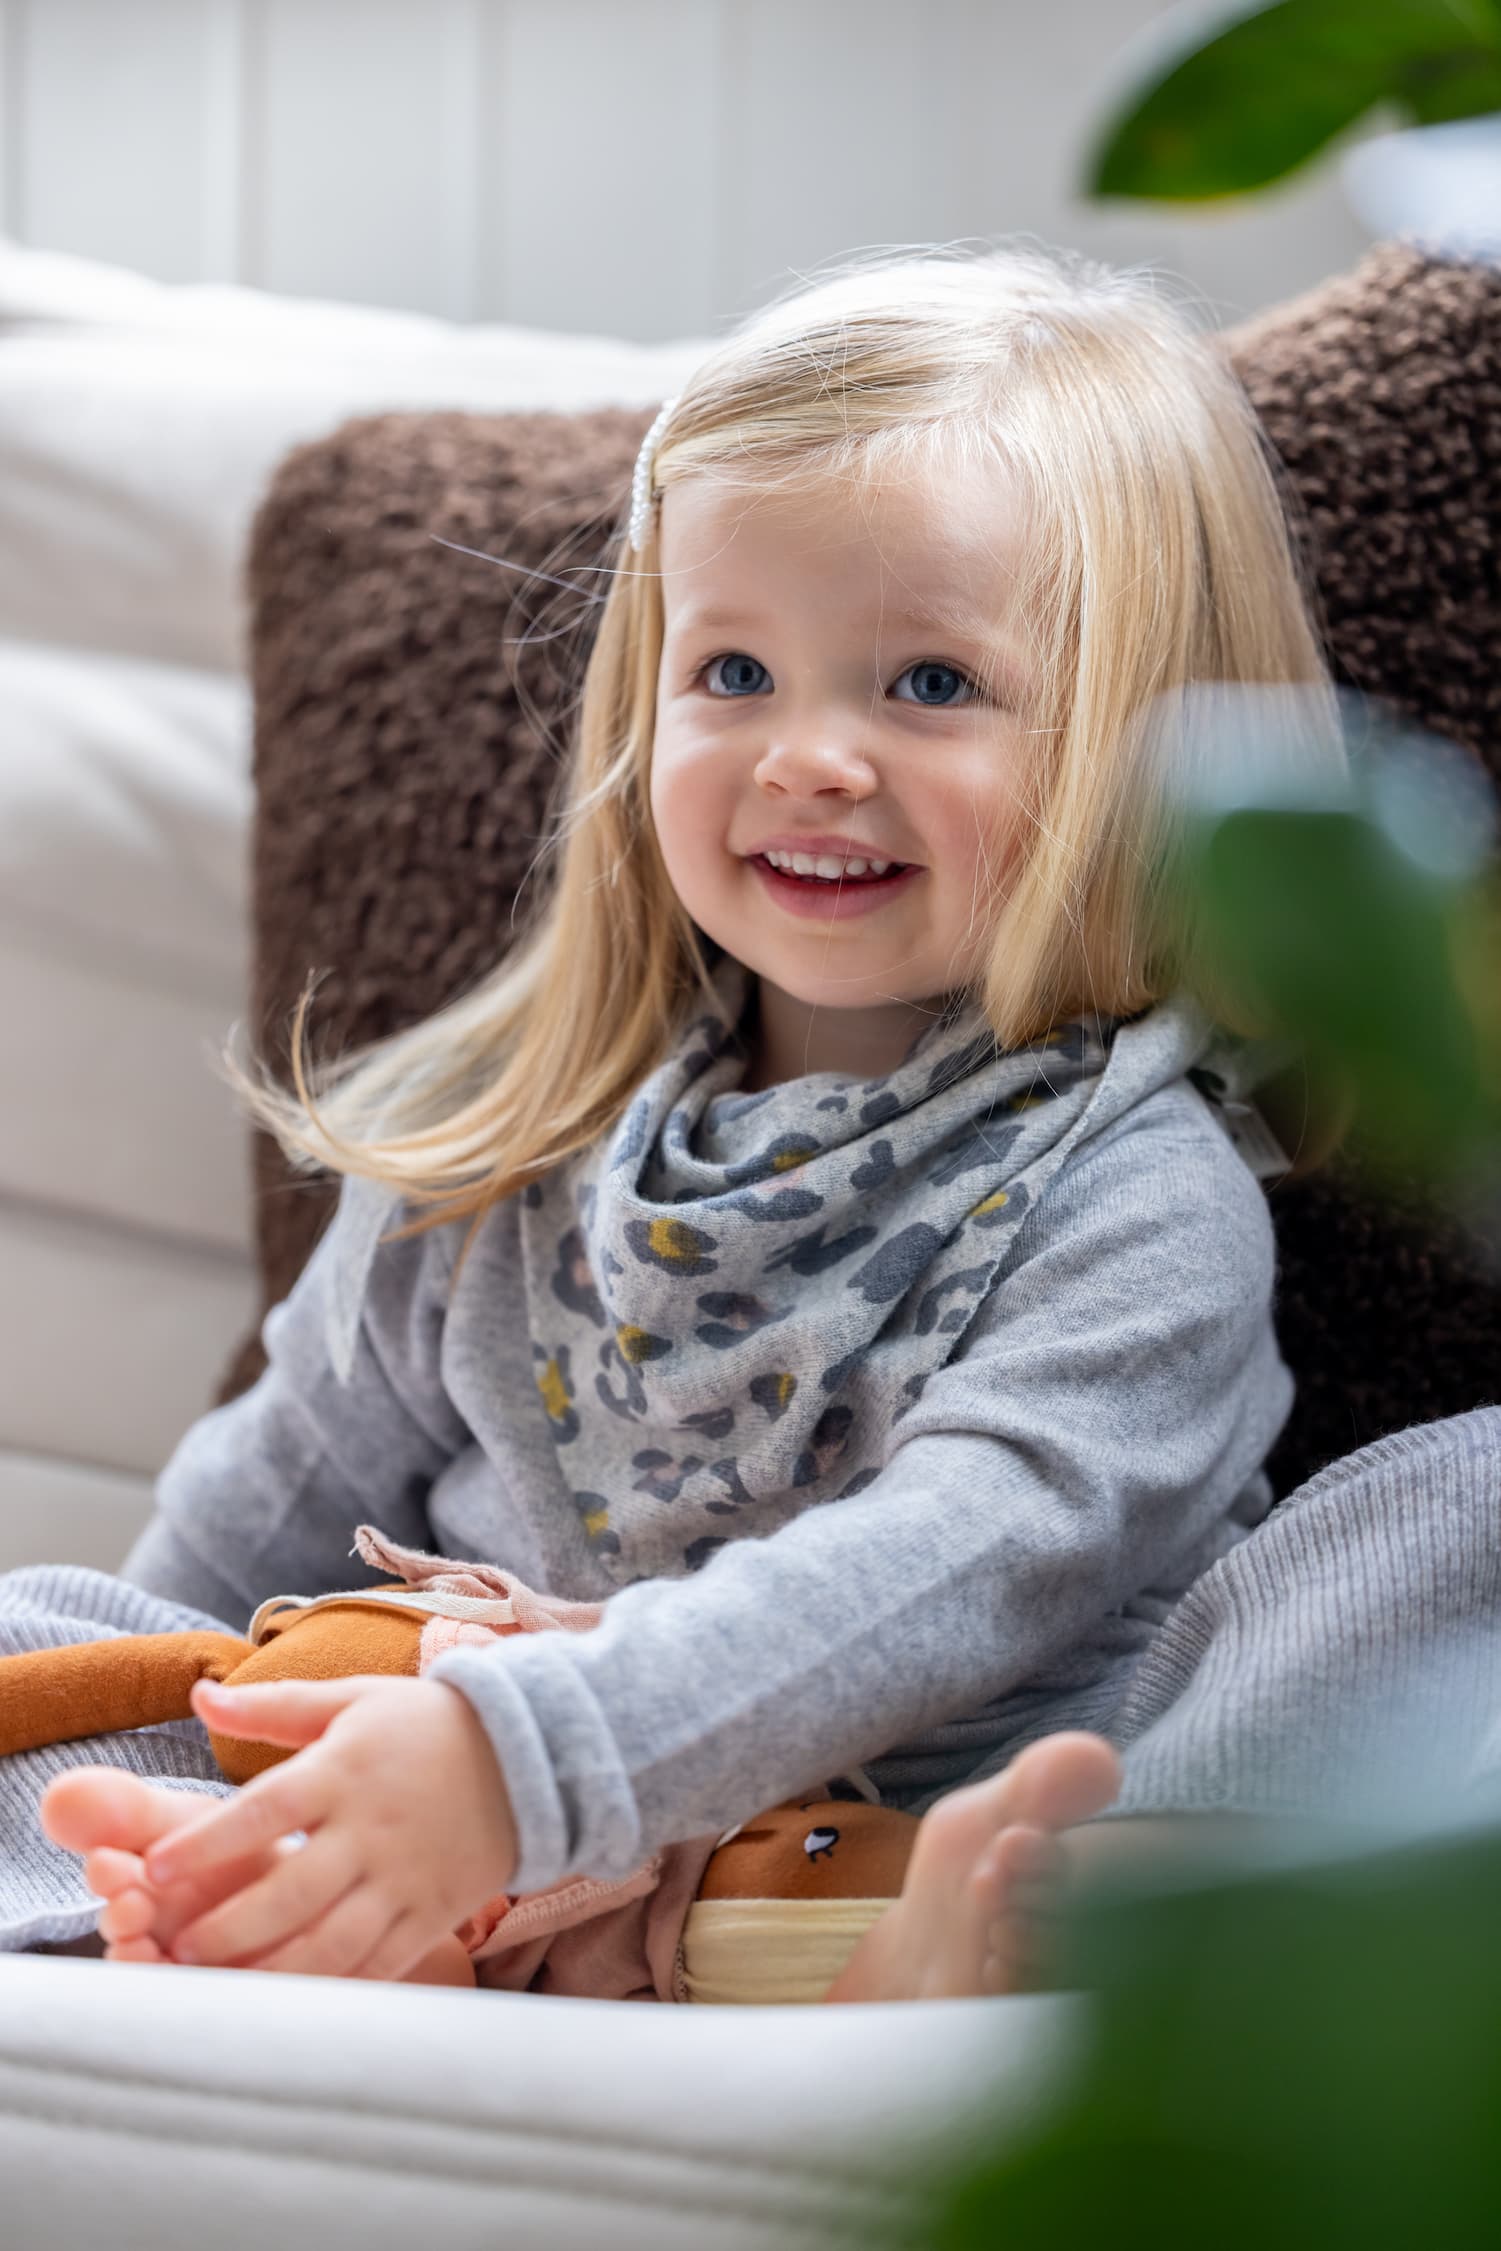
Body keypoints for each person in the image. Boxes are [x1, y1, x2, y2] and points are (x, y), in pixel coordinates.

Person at [0, 237, 1398, 2000]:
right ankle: (250, 1896)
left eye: (930, 683)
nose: (807, 756)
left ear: (1157, 756)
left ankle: (984, 1922)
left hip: (943, 1817)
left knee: (1455, 1504)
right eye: (734, 673)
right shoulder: (503, 1157)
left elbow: (959, 1563)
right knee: (45, 1635)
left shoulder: (1131, 1196)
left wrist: (533, 1763)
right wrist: (181, 1742)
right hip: (487, 1819)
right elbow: (246, 1525)